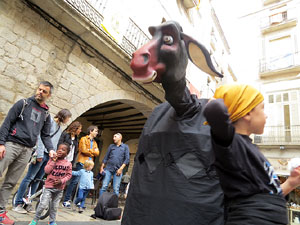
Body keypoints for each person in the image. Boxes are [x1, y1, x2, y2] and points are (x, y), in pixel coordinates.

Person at [203, 83, 300, 225]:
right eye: (262, 108)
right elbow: (214, 109)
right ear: (247, 113)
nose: (266, 115)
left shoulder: (250, 147)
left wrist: (291, 183)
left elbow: (267, 195)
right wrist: (219, 101)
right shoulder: (231, 142)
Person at [0, 81, 55, 225]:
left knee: (11, 182)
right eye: (39, 89)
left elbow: (46, 135)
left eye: (44, 91)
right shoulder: (23, 103)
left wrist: (51, 149)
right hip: (12, 144)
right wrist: (1, 144)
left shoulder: (46, 114)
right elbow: (7, 123)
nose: (40, 92)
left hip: (27, 150)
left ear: (48, 95)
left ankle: (0, 212)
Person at [13, 109, 72, 214]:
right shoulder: (50, 122)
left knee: (38, 179)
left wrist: (53, 157)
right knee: (29, 178)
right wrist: (40, 153)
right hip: (41, 154)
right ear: (64, 116)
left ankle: (28, 202)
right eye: (68, 118)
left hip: (48, 156)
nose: (68, 120)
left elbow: (53, 144)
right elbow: (41, 137)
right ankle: (17, 203)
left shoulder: (59, 128)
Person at [28, 142, 72, 225]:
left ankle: (52, 221)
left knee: (54, 207)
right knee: (43, 205)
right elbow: (46, 171)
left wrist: (61, 181)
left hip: (59, 189)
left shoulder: (68, 164)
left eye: (63, 150)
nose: (60, 151)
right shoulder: (51, 160)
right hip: (49, 187)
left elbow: (69, 175)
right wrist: (53, 161)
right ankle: (35, 219)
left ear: (67, 153)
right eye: (59, 149)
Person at [62, 125, 99, 208]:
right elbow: (83, 150)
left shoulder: (95, 142)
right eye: (96, 131)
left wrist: (89, 150)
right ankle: (66, 200)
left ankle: (78, 201)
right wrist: (92, 151)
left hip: (90, 165)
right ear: (91, 131)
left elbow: (97, 153)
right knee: (75, 182)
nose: (97, 133)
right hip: (82, 163)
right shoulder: (83, 139)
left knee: (84, 184)